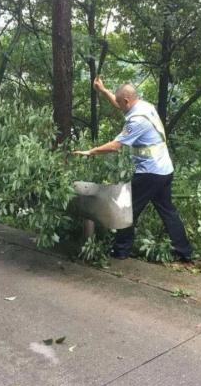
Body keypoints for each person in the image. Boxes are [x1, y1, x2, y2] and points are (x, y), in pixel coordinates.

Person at [73, 77, 193, 261]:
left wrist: (90, 152)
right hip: (164, 169)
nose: (119, 106)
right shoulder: (144, 106)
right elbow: (119, 103)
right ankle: (185, 251)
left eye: (121, 103)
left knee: (127, 209)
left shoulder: (137, 120)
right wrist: (103, 90)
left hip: (150, 173)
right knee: (167, 210)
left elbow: (115, 146)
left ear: (127, 101)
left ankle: (120, 251)